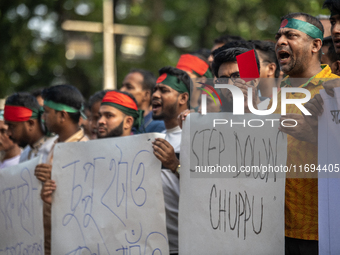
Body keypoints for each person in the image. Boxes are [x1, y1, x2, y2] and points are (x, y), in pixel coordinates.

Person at [272, 12, 340, 255]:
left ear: (315, 45)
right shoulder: (274, 95)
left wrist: (315, 136)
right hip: (272, 229)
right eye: (278, 36)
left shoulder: (336, 91)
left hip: (322, 232)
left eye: (291, 35)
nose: (280, 41)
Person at [39, 84, 89, 255]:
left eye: (46, 112)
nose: (43, 117)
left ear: (62, 115)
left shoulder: (86, 151)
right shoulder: (53, 145)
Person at [152, 66, 190, 255]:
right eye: (155, 90)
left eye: (164, 90)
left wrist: (175, 165)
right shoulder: (152, 138)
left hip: (186, 247)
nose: (155, 95)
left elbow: (209, 190)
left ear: (183, 98)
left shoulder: (198, 135)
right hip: (154, 246)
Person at [4, 92, 57, 166]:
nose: (8, 133)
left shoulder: (55, 149)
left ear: (30, 123)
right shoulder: (24, 155)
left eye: (12, 126)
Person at [212, 47, 261, 112]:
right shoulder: (214, 117)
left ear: (255, 80)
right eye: (223, 79)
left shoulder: (276, 113)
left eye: (237, 76)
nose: (229, 84)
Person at [120, 69, 165, 133]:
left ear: (146, 95)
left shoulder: (159, 127)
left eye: (129, 87)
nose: (121, 90)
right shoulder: (118, 124)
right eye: (122, 86)